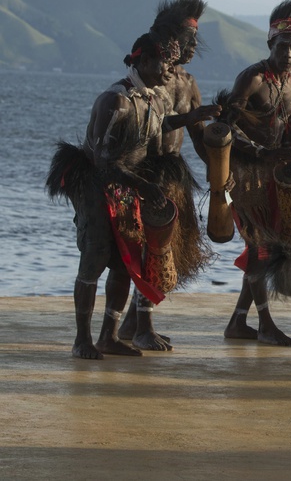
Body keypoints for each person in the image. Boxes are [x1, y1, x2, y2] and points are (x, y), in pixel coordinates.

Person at [46, 33, 219, 359]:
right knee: (96, 258)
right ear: (142, 62)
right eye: (164, 62)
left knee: (124, 261)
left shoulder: (152, 98)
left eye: (171, 62)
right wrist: (145, 186)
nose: (170, 69)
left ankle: (108, 336)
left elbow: (156, 126)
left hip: (128, 184)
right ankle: (82, 340)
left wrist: (190, 118)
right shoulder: (116, 101)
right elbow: (103, 162)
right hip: (96, 184)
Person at [221, 0, 291, 346]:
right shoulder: (252, 78)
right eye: (284, 47)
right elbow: (227, 127)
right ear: (271, 43)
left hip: (279, 176)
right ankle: (264, 324)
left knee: (267, 248)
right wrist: (262, 151)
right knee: (258, 247)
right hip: (246, 175)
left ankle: (238, 322)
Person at [118, 0, 215, 350]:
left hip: (172, 177)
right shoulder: (149, 75)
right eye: (189, 40)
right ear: (171, 40)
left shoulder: (187, 83)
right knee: (148, 250)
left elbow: (198, 138)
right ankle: (142, 325)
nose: (194, 47)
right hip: (143, 175)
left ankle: (135, 322)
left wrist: (220, 176)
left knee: (162, 252)